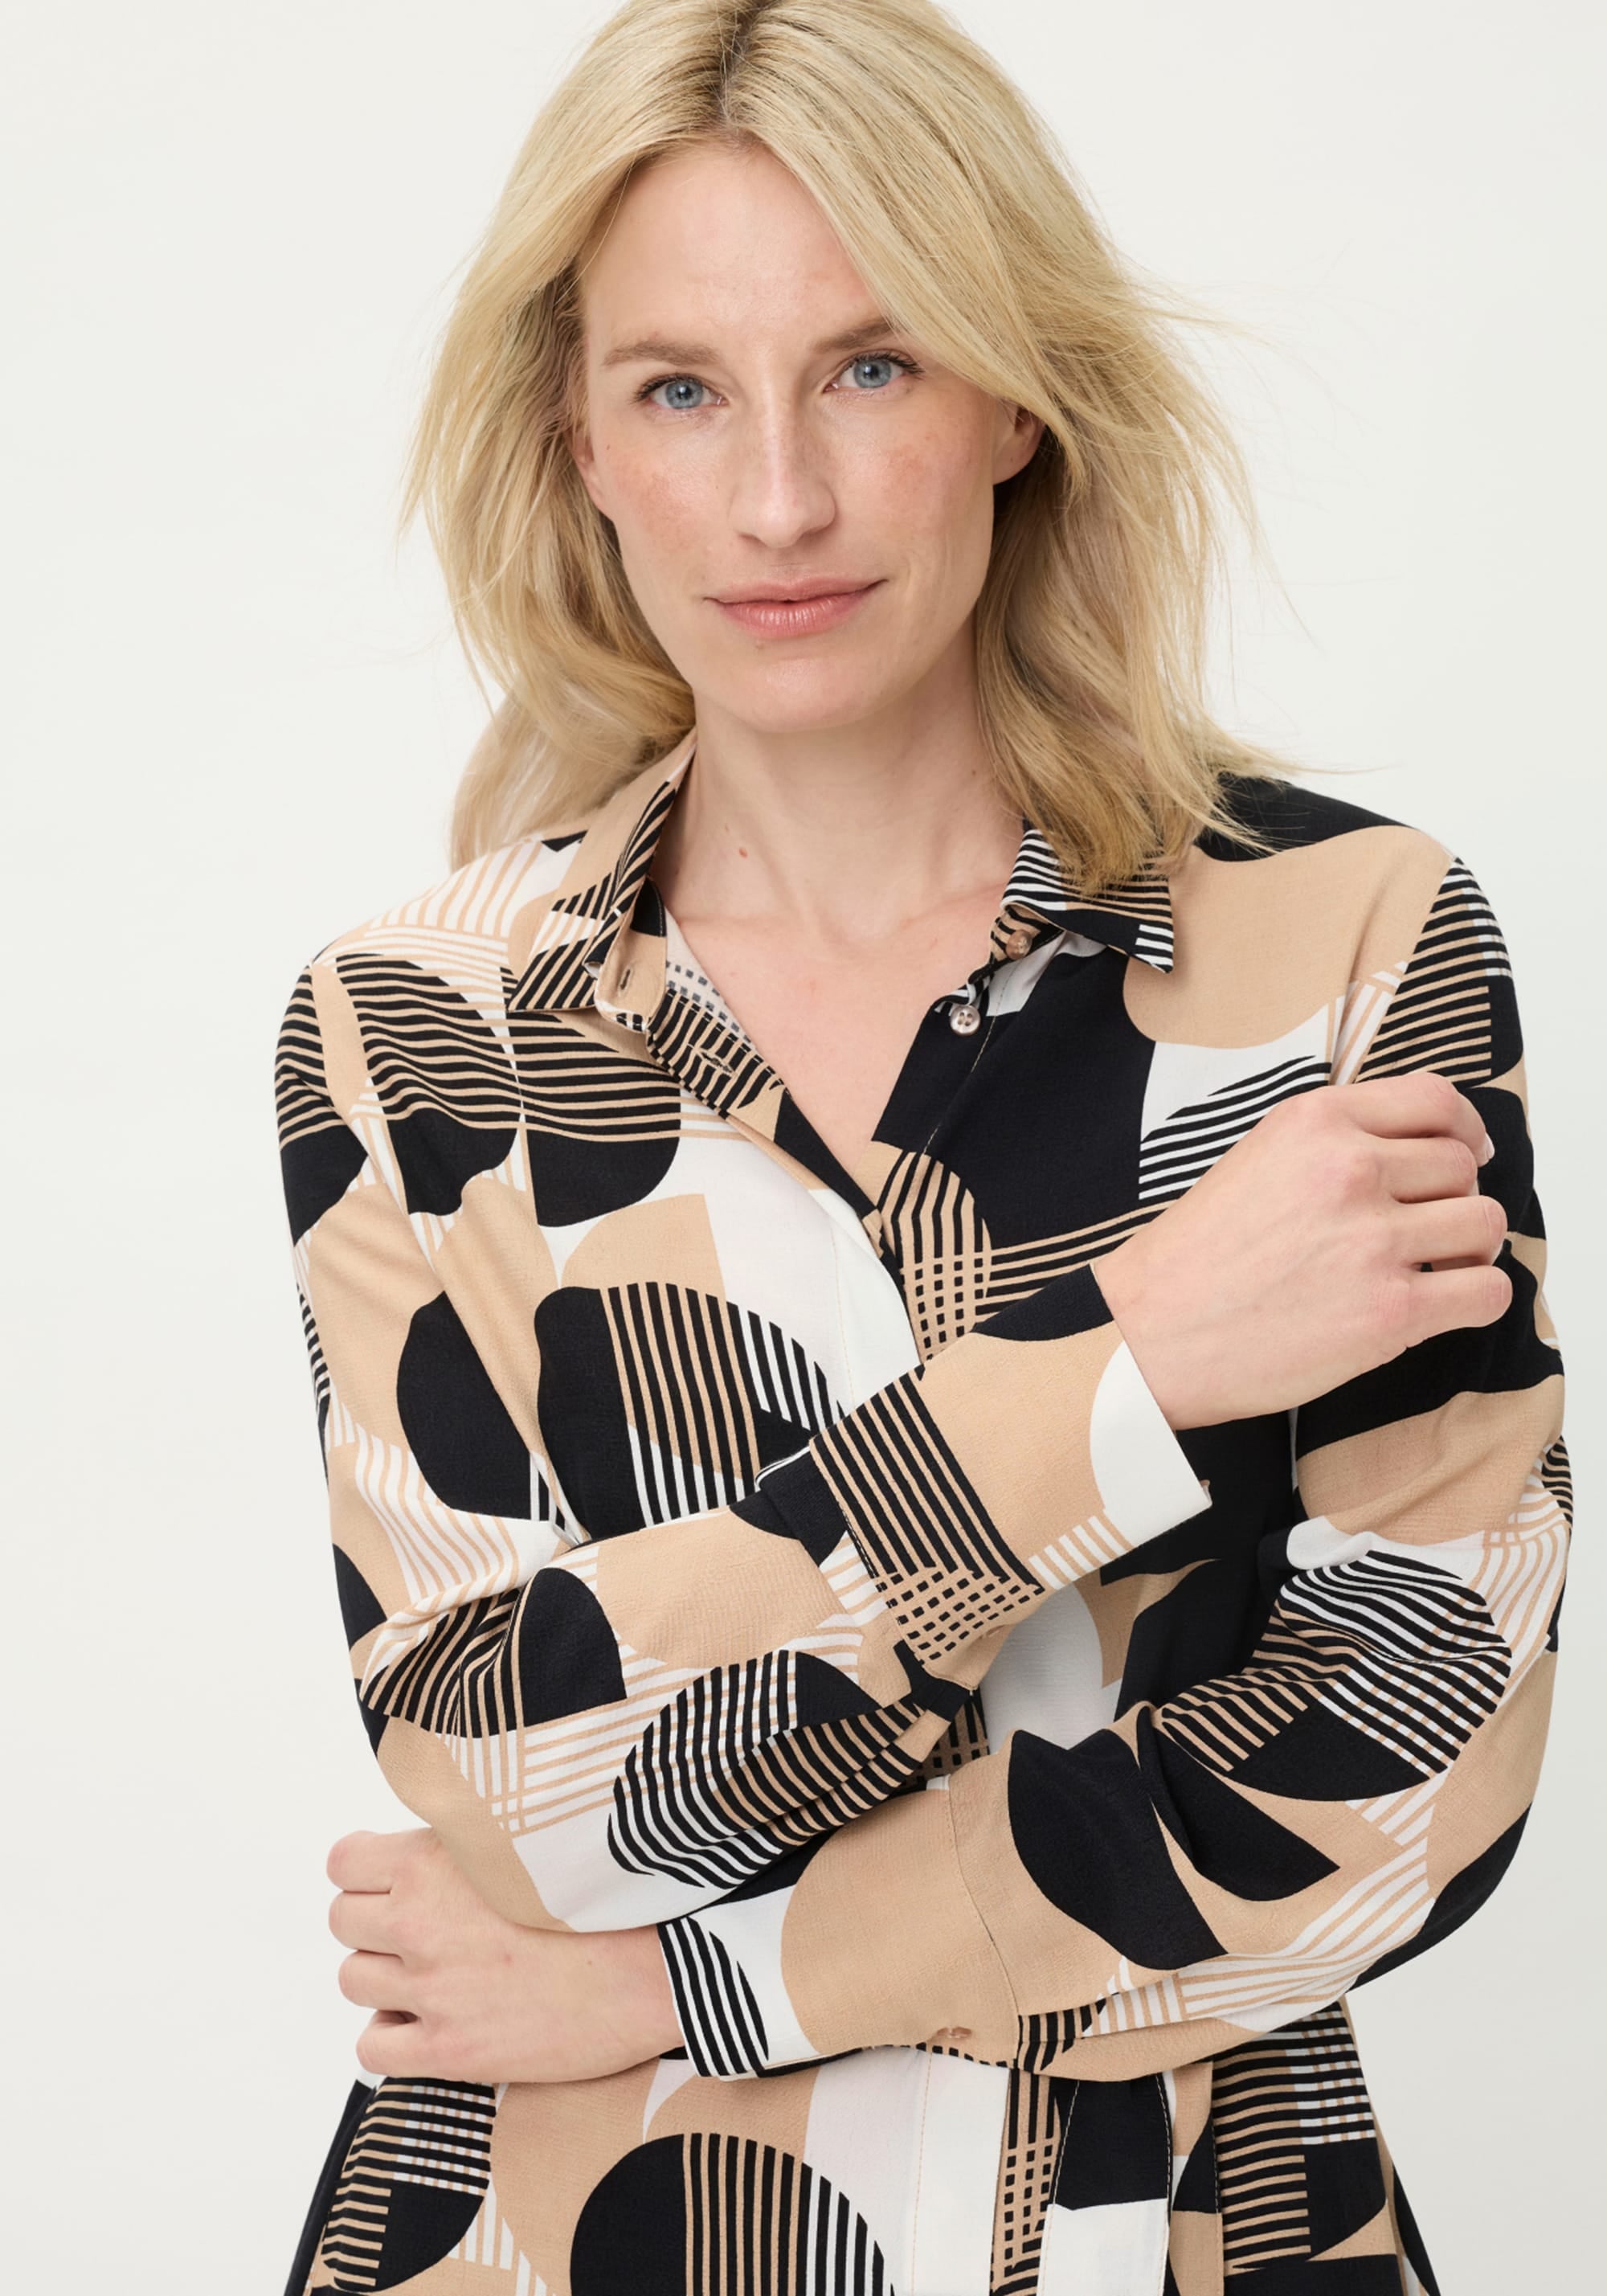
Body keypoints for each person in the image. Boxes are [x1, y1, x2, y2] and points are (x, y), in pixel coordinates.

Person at [272, 3, 1568, 2291]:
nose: (779, 499)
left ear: (1015, 396)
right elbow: (512, 1782)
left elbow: (1412, 1764)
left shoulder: (1348, 939)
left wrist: (694, 1981)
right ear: (579, 437)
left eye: (871, 367)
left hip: (1188, 2233)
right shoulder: (417, 1025)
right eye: (681, 387)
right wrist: (1130, 1369)